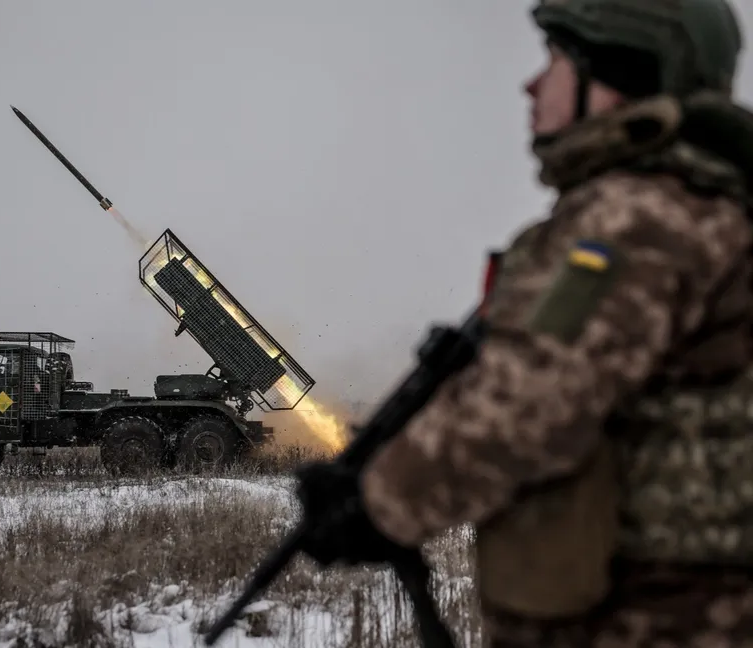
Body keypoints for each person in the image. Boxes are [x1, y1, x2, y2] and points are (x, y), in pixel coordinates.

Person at [294, 0, 753, 645]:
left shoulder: (638, 217)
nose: (531, 84)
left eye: (556, 60)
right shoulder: (693, 203)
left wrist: (381, 504)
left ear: (616, 74)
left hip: (653, 620)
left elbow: (531, 397)